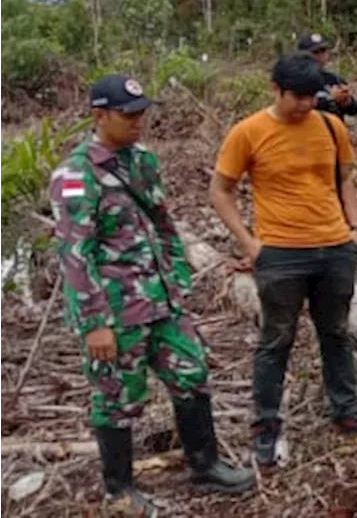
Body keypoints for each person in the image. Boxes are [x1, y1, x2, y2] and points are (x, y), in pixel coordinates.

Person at [49, 75, 254, 514]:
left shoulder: (142, 160)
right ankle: (119, 489)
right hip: (116, 309)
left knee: (192, 373)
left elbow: (162, 223)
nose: (138, 122)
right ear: (99, 115)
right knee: (118, 395)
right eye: (128, 115)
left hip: (162, 299)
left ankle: (206, 465)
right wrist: (94, 323)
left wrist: (177, 277)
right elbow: (75, 253)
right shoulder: (75, 174)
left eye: (142, 113)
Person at [208, 52, 357, 467]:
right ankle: (266, 427)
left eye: (310, 96)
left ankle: (346, 414)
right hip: (281, 253)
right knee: (276, 341)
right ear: (275, 90)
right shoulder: (248, 132)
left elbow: (346, 177)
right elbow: (220, 191)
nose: (305, 105)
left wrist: (353, 229)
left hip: (334, 247)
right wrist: (251, 245)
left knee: (336, 333)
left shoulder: (330, 124)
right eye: (296, 97)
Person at [297, 32, 357, 122]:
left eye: (323, 51)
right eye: (315, 52)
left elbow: (353, 110)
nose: (320, 56)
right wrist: (330, 98)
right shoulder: (296, 81)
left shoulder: (334, 79)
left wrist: (346, 101)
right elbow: (299, 106)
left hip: (332, 132)